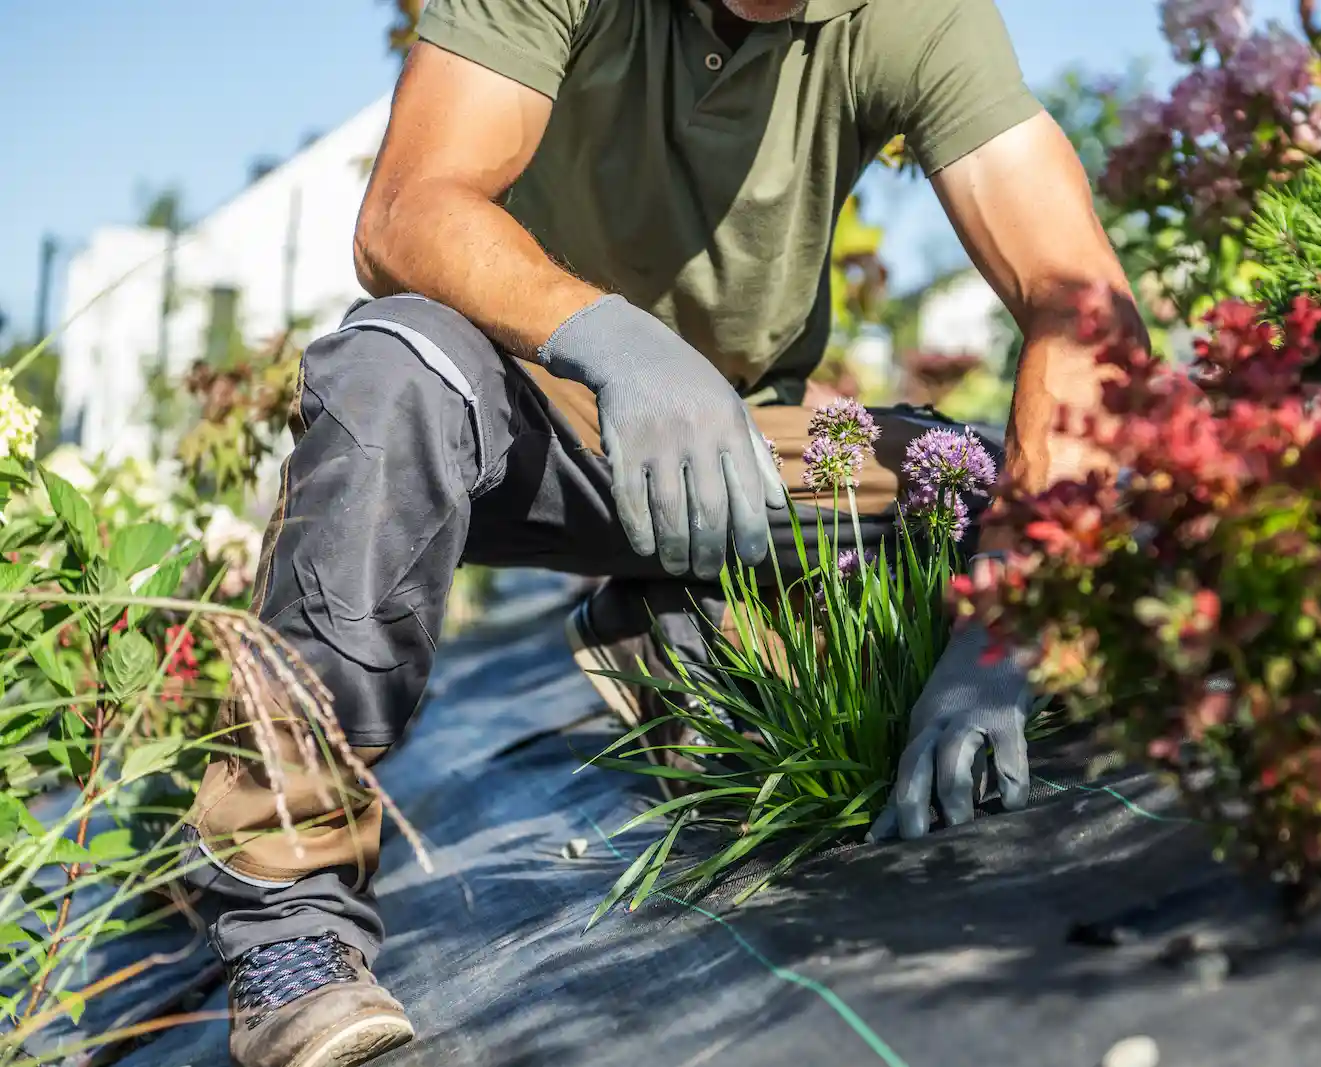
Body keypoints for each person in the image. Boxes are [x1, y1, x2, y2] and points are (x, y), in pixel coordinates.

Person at [178, 0, 1141, 1064]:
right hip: (524, 411)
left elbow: (1077, 297)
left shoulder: (917, 17)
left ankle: (688, 623)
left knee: (990, 488)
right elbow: (406, 207)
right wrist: (607, 337)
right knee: (387, 368)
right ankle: (287, 916)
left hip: (749, 443)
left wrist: (1006, 615)